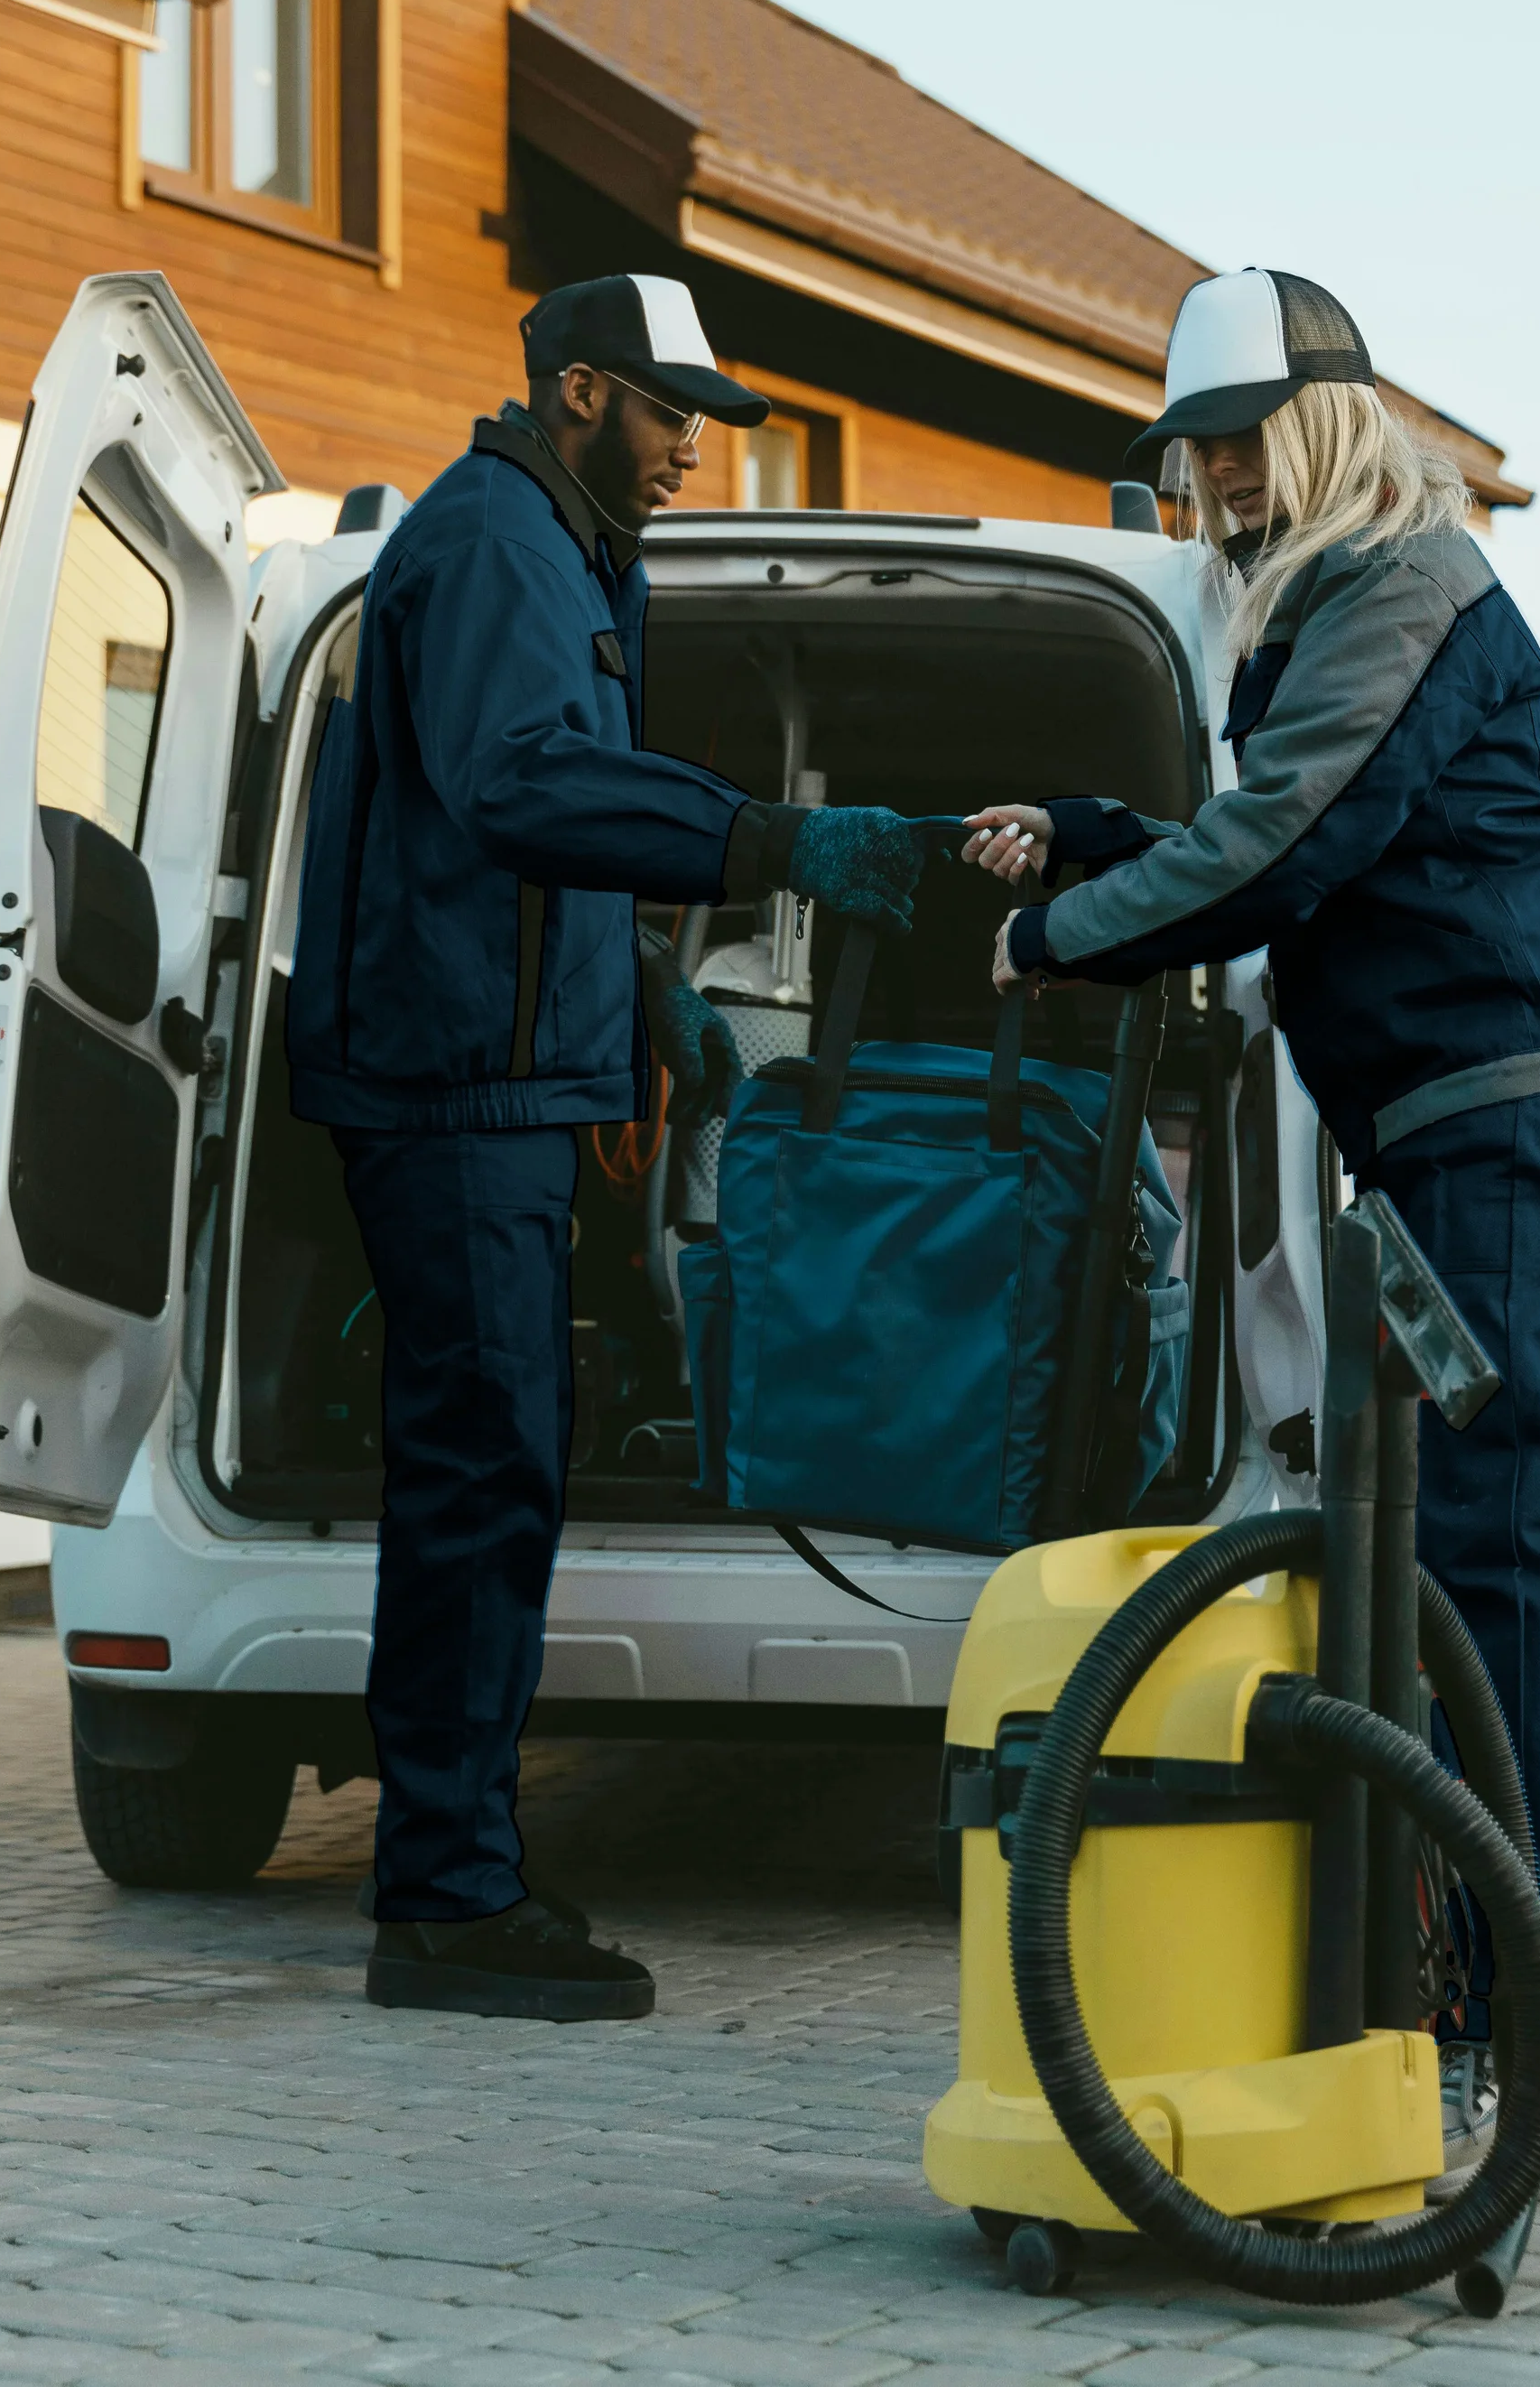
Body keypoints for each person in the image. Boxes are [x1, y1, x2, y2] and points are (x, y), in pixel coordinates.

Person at [962, 265, 1540, 2152]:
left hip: (1505, 1116)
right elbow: (1287, 819)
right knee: (1444, 1572)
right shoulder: (1331, 607)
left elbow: (1291, 838)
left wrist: (1061, 934)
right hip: (1447, 1128)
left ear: (1329, 421)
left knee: (1514, 1568)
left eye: (1238, 444)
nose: (1217, 486)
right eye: (1196, 459)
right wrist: (1096, 836)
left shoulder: (1404, 583)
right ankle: (1471, 1987)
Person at [289, 272, 928, 2023]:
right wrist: (771, 843)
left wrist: (648, 1002)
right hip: (447, 1088)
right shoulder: (497, 544)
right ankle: (444, 1902)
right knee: (480, 1478)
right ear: (580, 392)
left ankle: (456, 1869)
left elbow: (538, 829)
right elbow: (518, 784)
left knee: (496, 1471)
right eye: (669, 418)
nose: (691, 455)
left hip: (506, 1078)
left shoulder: (567, 550)